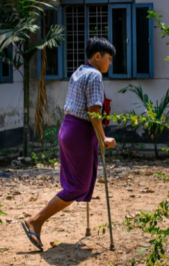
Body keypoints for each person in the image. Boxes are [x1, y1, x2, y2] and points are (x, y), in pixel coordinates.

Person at [22, 37, 117, 251]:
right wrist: (103, 138)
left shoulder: (79, 71)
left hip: (68, 129)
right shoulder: (94, 75)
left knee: (76, 184)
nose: (110, 63)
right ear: (97, 56)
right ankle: (36, 220)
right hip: (80, 133)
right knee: (79, 186)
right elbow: (93, 111)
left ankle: (36, 221)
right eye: (109, 58)